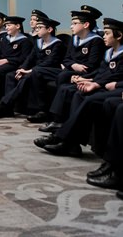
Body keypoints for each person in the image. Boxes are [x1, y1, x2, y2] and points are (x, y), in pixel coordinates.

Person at [34, 18, 123, 156]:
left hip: (114, 87)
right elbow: (102, 72)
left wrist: (95, 83)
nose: (103, 36)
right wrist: (89, 80)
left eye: (107, 33)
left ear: (119, 36)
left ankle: (63, 137)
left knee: (87, 98)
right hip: (104, 83)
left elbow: (116, 76)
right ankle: (70, 142)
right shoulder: (110, 52)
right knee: (77, 92)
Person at [25, 8, 105, 125]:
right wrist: (74, 64)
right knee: (37, 71)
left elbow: (91, 65)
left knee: (63, 76)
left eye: (74, 23)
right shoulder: (74, 39)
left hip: (85, 73)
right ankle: (42, 110)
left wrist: (74, 66)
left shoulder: (96, 40)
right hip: (72, 69)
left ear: (86, 25)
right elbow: (66, 59)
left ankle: (58, 117)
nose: (71, 27)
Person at [0, 16, 65, 118]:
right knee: (11, 75)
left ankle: (5, 103)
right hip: (35, 69)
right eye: (37, 27)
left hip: (48, 71)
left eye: (40, 27)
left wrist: (30, 70)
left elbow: (50, 62)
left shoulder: (57, 44)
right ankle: (9, 108)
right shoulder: (39, 42)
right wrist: (22, 68)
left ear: (49, 29)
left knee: (28, 77)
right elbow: (30, 58)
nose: (36, 29)